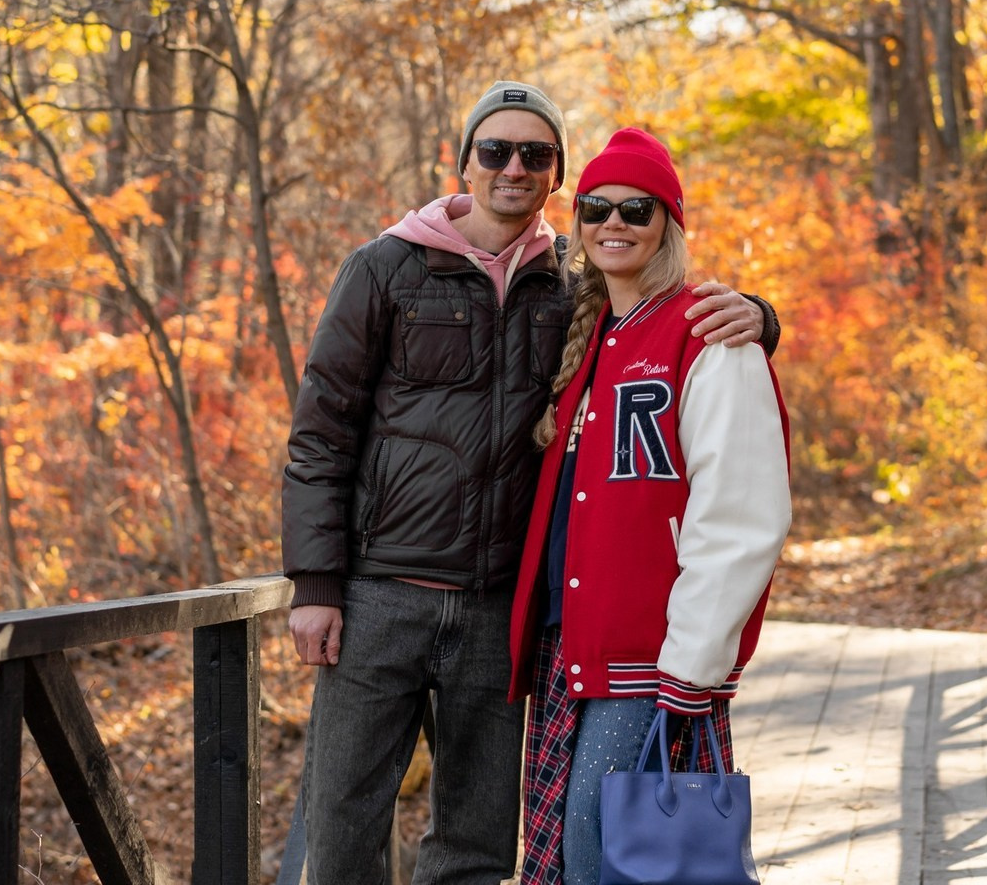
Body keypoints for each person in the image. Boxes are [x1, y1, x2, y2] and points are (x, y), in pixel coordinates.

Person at [280, 83, 779, 885]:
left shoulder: (569, 289)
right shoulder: (384, 268)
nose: (514, 167)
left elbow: (655, 314)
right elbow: (321, 430)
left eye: (536, 155)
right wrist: (315, 579)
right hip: (380, 594)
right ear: (465, 162)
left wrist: (755, 317)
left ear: (555, 178)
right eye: (497, 150)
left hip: (500, 611)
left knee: (475, 846)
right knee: (341, 829)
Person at [507, 126, 792, 885]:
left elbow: (742, 515)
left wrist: (693, 665)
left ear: (670, 222)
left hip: (651, 656)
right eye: (597, 207)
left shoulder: (709, 334)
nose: (615, 224)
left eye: (638, 209)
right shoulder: (590, 335)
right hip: (572, 649)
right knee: (582, 861)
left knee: (623, 858)